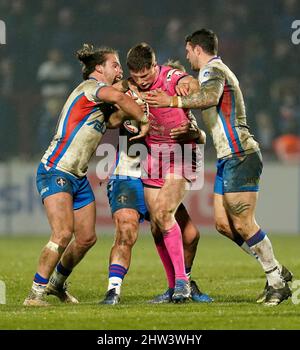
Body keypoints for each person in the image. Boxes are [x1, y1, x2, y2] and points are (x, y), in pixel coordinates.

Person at [144, 29, 293, 306]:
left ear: (195, 48)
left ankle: (276, 281)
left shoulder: (213, 71)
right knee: (224, 225)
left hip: (240, 152)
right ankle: (276, 270)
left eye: (188, 51)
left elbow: (210, 97)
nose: (187, 57)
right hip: (228, 157)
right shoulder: (210, 72)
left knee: (244, 222)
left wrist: (172, 100)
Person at [23, 43, 149, 306]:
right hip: (55, 170)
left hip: (78, 177)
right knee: (62, 233)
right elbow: (119, 99)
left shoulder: (99, 103)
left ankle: (57, 284)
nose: (119, 69)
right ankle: (35, 294)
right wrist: (145, 118)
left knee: (86, 238)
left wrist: (138, 96)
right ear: (99, 68)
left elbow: (115, 118)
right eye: (114, 64)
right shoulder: (90, 89)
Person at [100, 64, 212, 304]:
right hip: (129, 173)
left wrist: (196, 132)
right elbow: (109, 119)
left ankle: (184, 283)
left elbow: (199, 133)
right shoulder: (126, 93)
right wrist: (129, 108)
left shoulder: (168, 100)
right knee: (128, 230)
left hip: (163, 167)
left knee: (190, 234)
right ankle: (114, 290)